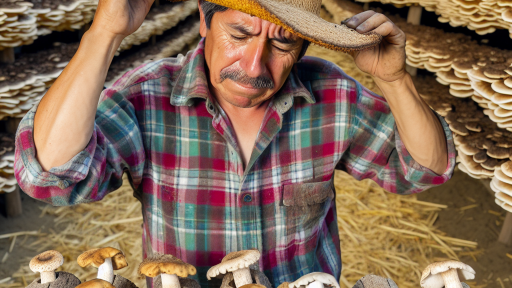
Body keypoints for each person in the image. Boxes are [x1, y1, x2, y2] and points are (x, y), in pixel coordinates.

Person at [14, 0, 456, 287]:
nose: (253, 64)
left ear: (303, 49)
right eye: (239, 35)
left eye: (282, 42)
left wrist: (394, 80)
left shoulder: (333, 95)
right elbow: (49, 175)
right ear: (205, 21)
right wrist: (103, 34)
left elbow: (426, 169)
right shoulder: (147, 94)